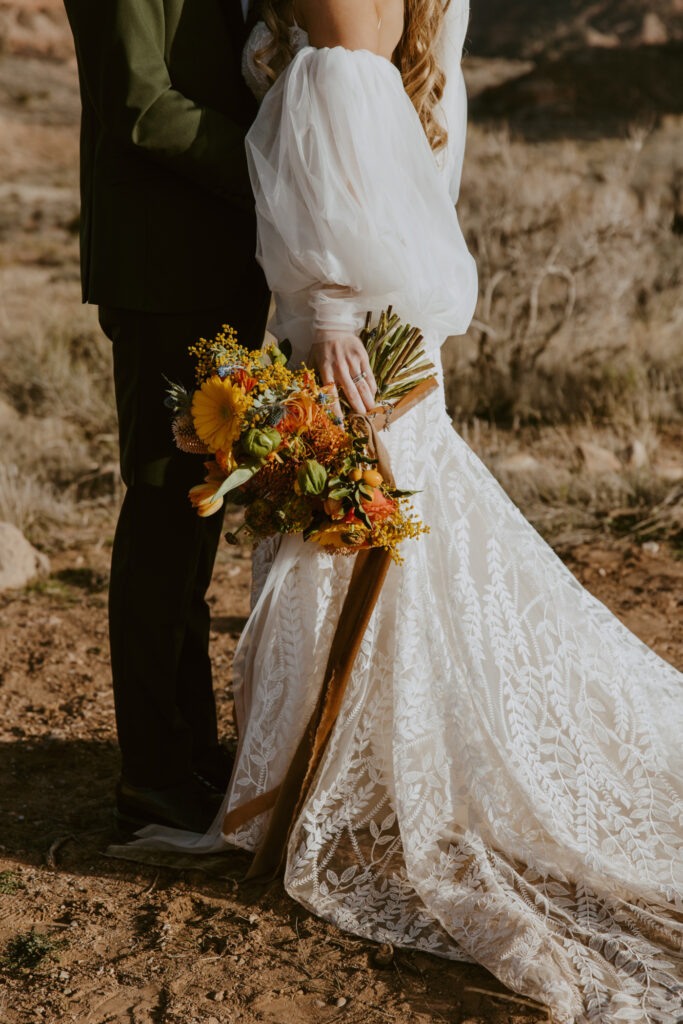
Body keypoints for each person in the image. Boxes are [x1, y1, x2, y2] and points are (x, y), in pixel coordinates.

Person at [133, 0, 683, 1020]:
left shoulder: (336, 40)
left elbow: (336, 114)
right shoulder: (425, 23)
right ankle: (353, 760)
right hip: (377, 316)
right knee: (383, 534)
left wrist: (330, 307)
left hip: (344, 323)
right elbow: (405, 134)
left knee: (356, 533)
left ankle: (345, 776)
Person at [63, 0, 270, 833]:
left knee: (195, 516)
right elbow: (140, 103)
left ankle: (188, 744)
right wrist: (272, 161)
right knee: (161, 511)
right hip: (162, 267)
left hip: (212, 262)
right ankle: (151, 770)